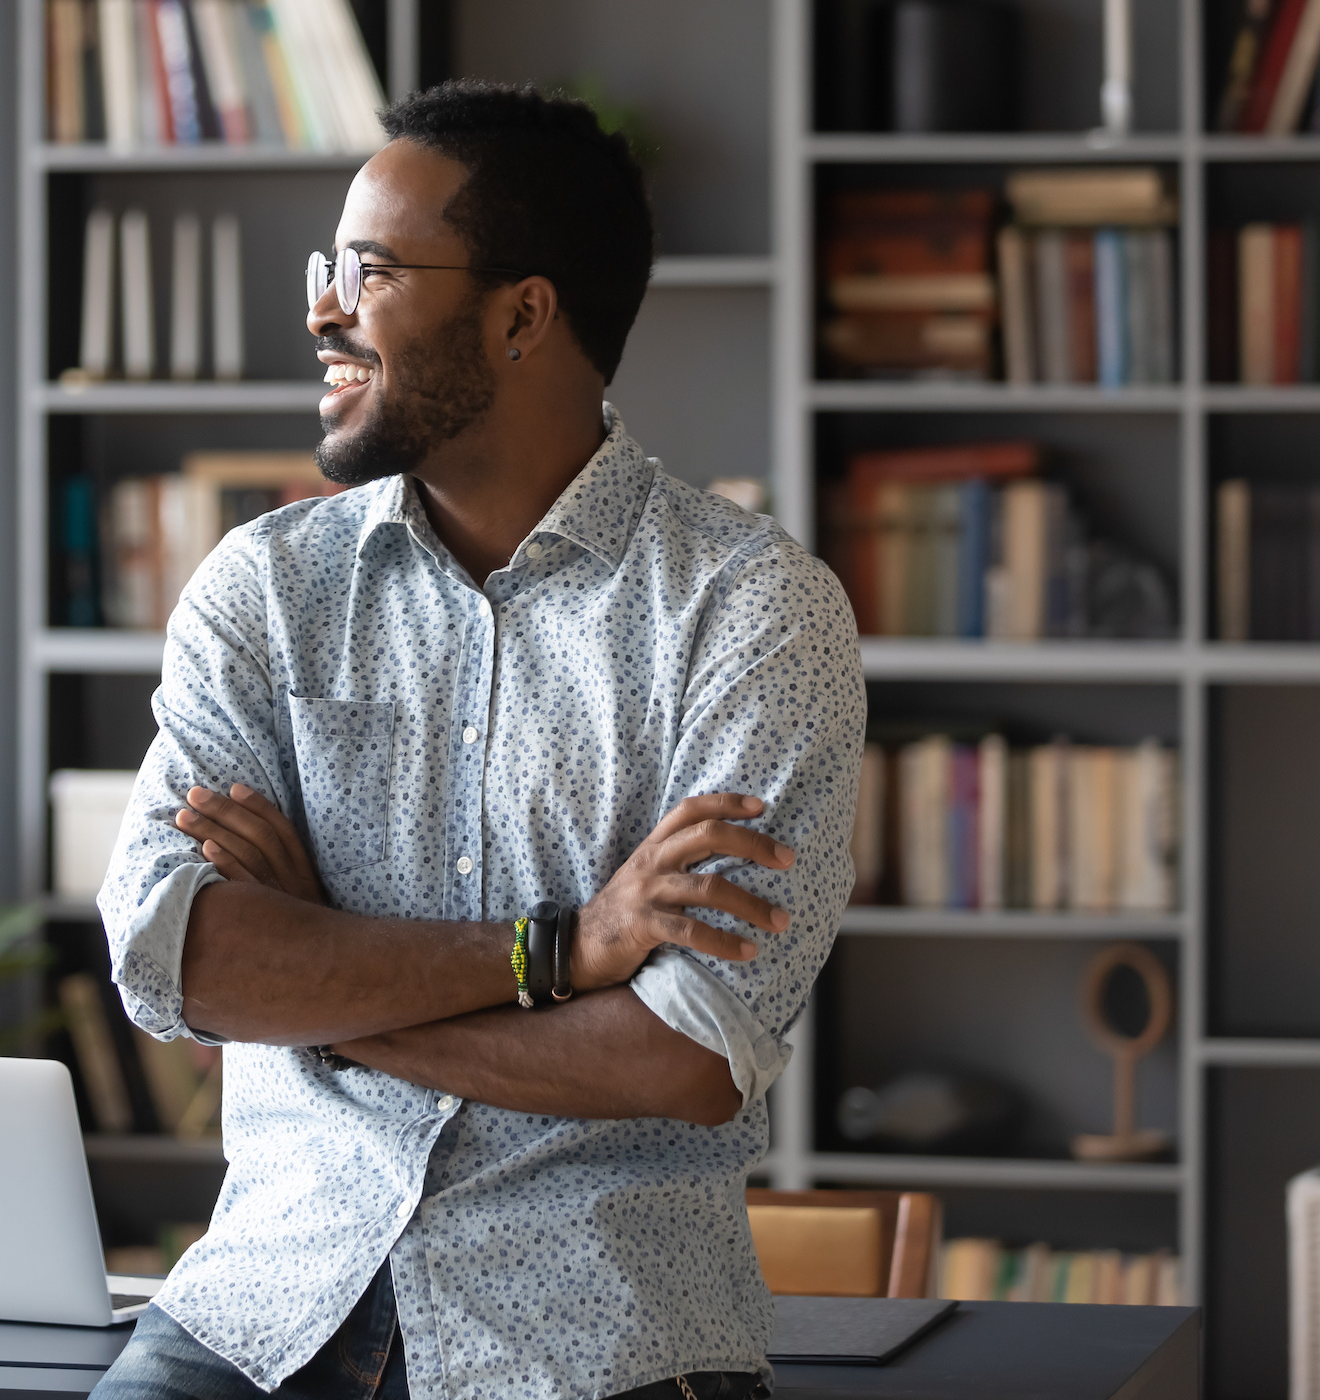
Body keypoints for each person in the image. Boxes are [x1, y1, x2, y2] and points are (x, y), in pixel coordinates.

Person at [90, 80, 865, 1400]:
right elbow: (176, 959)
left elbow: (676, 1058)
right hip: (259, 1318)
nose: (322, 307)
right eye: (326, 266)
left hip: (595, 1345)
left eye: (372, 269)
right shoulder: (263, 588)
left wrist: (318, 985)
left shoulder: (751, 612)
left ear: (521, 314)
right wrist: (555, 952)